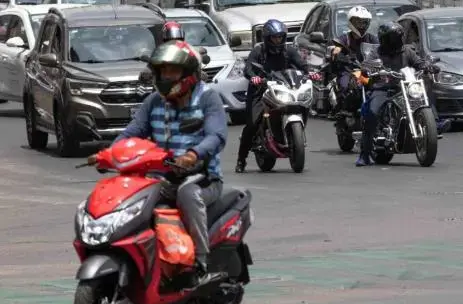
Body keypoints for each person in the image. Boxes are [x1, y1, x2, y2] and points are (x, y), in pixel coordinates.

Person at [96, 41, 228, 287]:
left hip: (201, 179)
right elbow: (133, 132)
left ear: (188, 73)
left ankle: (200, 262)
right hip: (161, 178)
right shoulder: (154, 101)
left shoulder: (208, 98)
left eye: (172, 71)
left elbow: (216, 136)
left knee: (188, 194)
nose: (166, 76)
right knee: (128, 194)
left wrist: (194, 154)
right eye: (162, 71)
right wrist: (108, 153)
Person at [235, 19, 321, 173]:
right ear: (267, 38)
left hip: (285, 88)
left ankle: (292, 137)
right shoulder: (258, 51)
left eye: (280, 37)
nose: (278, 40)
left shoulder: (289, 51)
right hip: (260, 90)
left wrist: (311, 73)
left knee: (303, 103)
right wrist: (253, 78)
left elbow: (302, 65)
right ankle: (241, 160)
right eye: (274, 37)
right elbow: (248, 68)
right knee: (253, 123)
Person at [355, 22, 439, 167]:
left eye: (399, 37)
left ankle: (435, 121)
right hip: (382, 89)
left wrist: (427, 66)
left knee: (423, 93)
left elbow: (418, 62)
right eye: (394, 38)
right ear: (386, 39)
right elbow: (367, 64)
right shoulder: (377, 53)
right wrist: (369, 68)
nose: (397, 41)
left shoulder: (406, 51)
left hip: (403, 88)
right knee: (373, 113)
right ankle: (365, 154)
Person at [330, 6, 379, 93]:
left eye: (364, 22)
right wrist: (337, 49)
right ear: (351, 22)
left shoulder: (372, 38)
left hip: (368, 71)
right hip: (350, 71)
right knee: (345, 86)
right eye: (358, 22)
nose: (362, 25)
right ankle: (343, 106)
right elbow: (337, 45)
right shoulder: (346, 38)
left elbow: (381, 50)